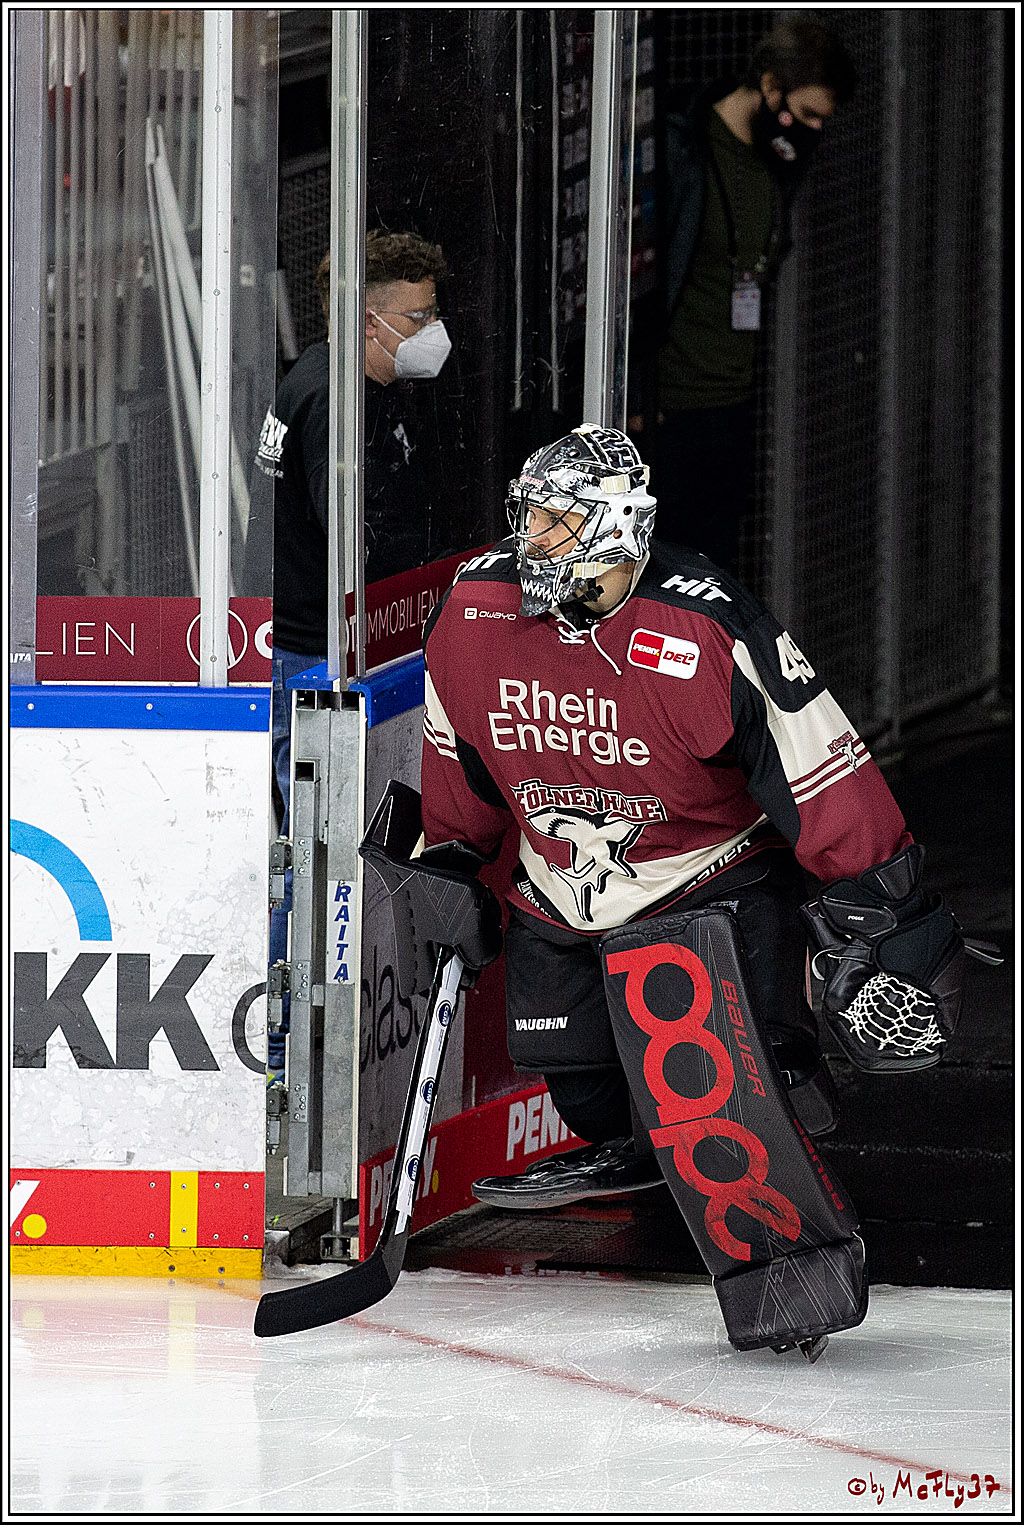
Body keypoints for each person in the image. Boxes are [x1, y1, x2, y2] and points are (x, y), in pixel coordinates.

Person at [418, 423, 966, 1355]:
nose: (531, 538)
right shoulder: (473, 611)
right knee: (589, 1099)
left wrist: (891, 906)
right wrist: (451, 858)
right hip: (562, 889)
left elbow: (814, 762)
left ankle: (785, 1240)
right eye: (528, 515)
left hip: (705, 883)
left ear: (616, 525)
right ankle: (667, 1148)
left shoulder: (706, 623)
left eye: (556, 521)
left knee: (719, 1093)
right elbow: (456, 746)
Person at [252, 228, 450, 1076]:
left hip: (331, 649)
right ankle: (283, 1048)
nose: (434, 331)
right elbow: (351, 543)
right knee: (312, 852)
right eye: (420, 316)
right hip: (311, 659)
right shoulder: (332, 401)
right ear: (372, 322)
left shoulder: (352, 384)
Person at [646, 19, 857, 571]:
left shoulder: (777, 157)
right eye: (807, 113)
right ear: (769, 86)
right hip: (670, 410)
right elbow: (645, 273)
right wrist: (642, 391)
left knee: (711, 579)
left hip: (733, 406)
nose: (813, 130)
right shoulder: (683, 148)